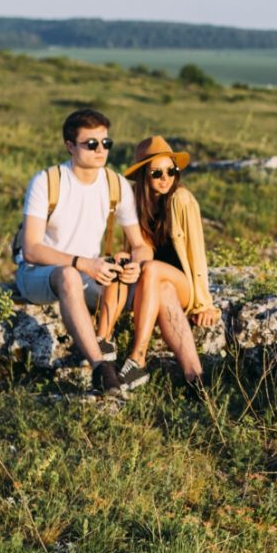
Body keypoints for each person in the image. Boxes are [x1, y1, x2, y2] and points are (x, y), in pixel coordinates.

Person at [15, 109, 152, 395]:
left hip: (90, 272)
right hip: (39, 274)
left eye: (106, 143)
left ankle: (180, 374)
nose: (101, 150)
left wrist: (135, 264)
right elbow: (31, 249)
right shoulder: (47, 181)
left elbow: (140, 246)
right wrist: (81, 263)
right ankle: (101, 368)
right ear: (70, 146)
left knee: (150, 285)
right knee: (69, 276)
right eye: (91, 144)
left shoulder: (116, 185)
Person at [94, 136, 219, 394]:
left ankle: (137, 357)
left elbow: (197, 252)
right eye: (157, 172)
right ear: (143, 175)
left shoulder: (181, 199)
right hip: (156, 285)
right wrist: (127, 261)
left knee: (152, 271)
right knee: (131, 267)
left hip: (182, 281)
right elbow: (143, 251)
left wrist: (204, 304)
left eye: (171, 171)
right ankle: (195, 380)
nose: (166, 178)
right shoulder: (138, 203)